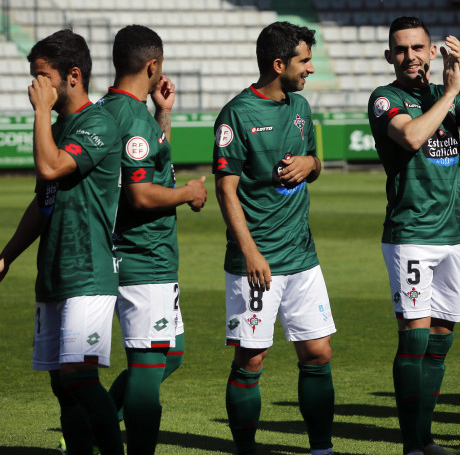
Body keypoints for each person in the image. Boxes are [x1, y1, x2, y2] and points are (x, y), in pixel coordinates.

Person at [368, 17, 460, 455]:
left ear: (430, 51)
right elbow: (410, 135)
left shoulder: (443, 93)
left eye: (418, 48)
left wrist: (459, 82)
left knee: (442, 335)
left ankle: (425, 437)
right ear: (390, 56)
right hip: (411, 232)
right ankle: (411, 445)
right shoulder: (385, 98)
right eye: (401, 49)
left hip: (451, 233)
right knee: (415, 337)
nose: (410, 56)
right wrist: (447, 93)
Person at [213, 22, 336, 455]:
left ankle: (322, 449)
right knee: (251, 359)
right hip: (257, 261)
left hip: (302, 257)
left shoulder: (301, 107)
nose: (311, 68)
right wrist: (250, 252)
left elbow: (314, 163)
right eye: (304, 60)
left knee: (319, 353)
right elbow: (225, 189)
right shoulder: (236, 114)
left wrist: (311, 164)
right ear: (278, 63)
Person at [0, 30, 125, 454]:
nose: (35, 85)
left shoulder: (98, 122)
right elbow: (44, 202)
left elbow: (52, 168)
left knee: (79, 376)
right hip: (53, 271)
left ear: (72, 76)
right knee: (61, 385)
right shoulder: (57, 127)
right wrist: (7, 257)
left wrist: (39, 112)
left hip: (88, 270)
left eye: (41, 76)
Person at [98, 25, 208, 455]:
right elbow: (142, 193)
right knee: (147, 364)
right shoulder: (131, 117)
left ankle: (94, 425)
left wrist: (163, 113)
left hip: (144, 255)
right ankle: (112, 438)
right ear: (152, 65)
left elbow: (148, 162)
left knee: (172, 355)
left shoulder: (112, 109)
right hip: (143, 255)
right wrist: (189, 193)